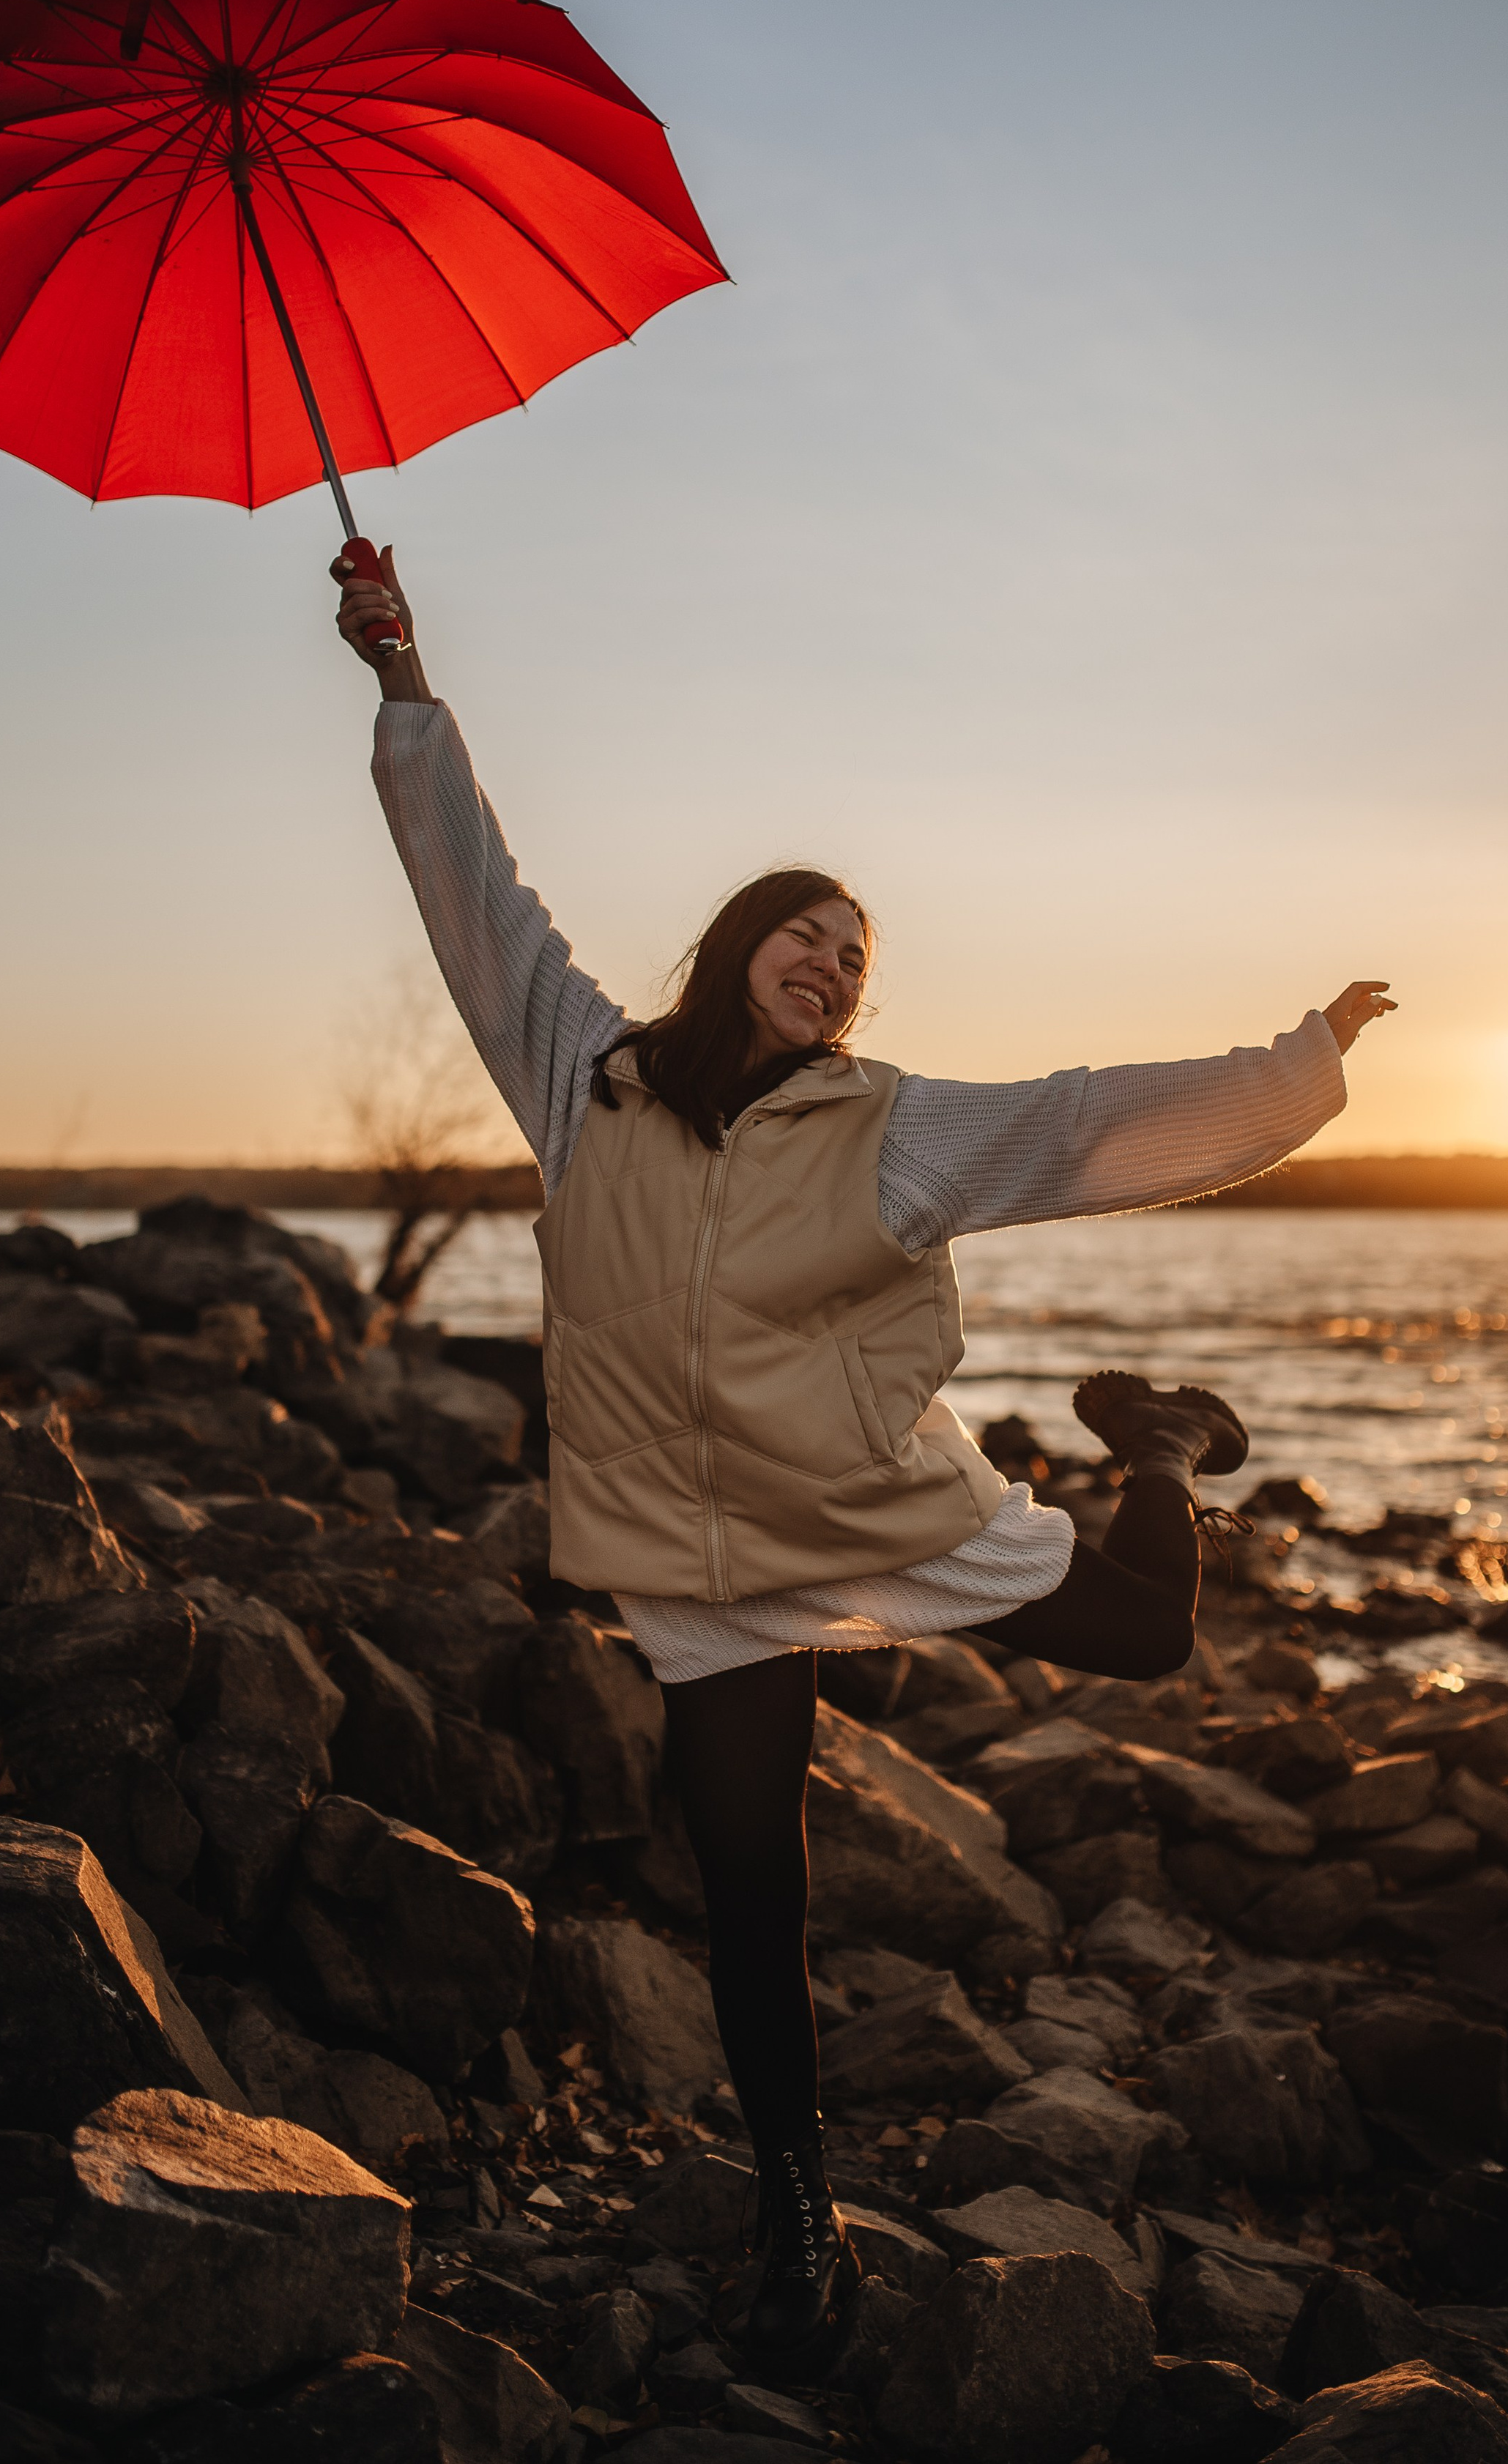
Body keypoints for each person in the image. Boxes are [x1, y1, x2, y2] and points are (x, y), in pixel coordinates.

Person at [335, 549, 1396, 2372]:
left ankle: (1144, 1439)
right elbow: (477, 903)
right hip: (688, 1561)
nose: (830, 965)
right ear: (739, 939)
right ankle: (791, 2209)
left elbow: (1081, 1125)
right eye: (805, 933)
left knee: (1146, 1636)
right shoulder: (581, 1072)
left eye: (854, 958)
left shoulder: (890, 1131)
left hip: (866, 1501)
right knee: (748, 1880)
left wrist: (1292, 1070)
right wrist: (402, 679)